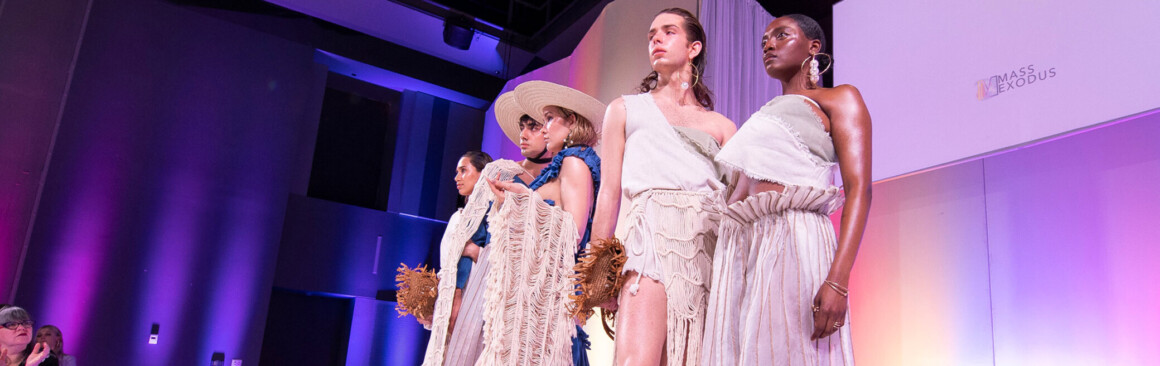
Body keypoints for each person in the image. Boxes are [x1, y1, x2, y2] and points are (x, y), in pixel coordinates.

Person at [701, 13, 872, 365]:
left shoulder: (840, 98)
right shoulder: (761, 114)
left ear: (814, 47)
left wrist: (838, 281)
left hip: (793, 236)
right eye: (764, 40)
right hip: (740, 246)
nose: (769, 44)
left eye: (781, 35)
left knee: (794, 352)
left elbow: (859, 189)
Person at [587, 7, 737, 366]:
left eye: (668, 32)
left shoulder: (722, 126)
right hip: (650, 238)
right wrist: (597, 269)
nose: (655, 38)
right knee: (635, 360)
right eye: (652, 33)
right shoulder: (624, 109)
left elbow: (736, 203)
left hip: (706, 242)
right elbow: (608, 191)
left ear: (694, 48)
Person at [419, 92, 553, 366]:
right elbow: (471, 242)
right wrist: (454, 293)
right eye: (522, 127)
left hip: (529, 292)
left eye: (534, 126)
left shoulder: (558, 176)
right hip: (484, 289)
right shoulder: (503, 172)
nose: (524, 134)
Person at [482, 80, 604, 366]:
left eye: (549, 119)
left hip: (553, 289)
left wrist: (526, 200)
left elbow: (573, 232)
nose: (545, 127)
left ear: (571, 121)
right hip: (540, 288)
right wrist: (519, 199)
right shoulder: (561, 165)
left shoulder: (575, 160)